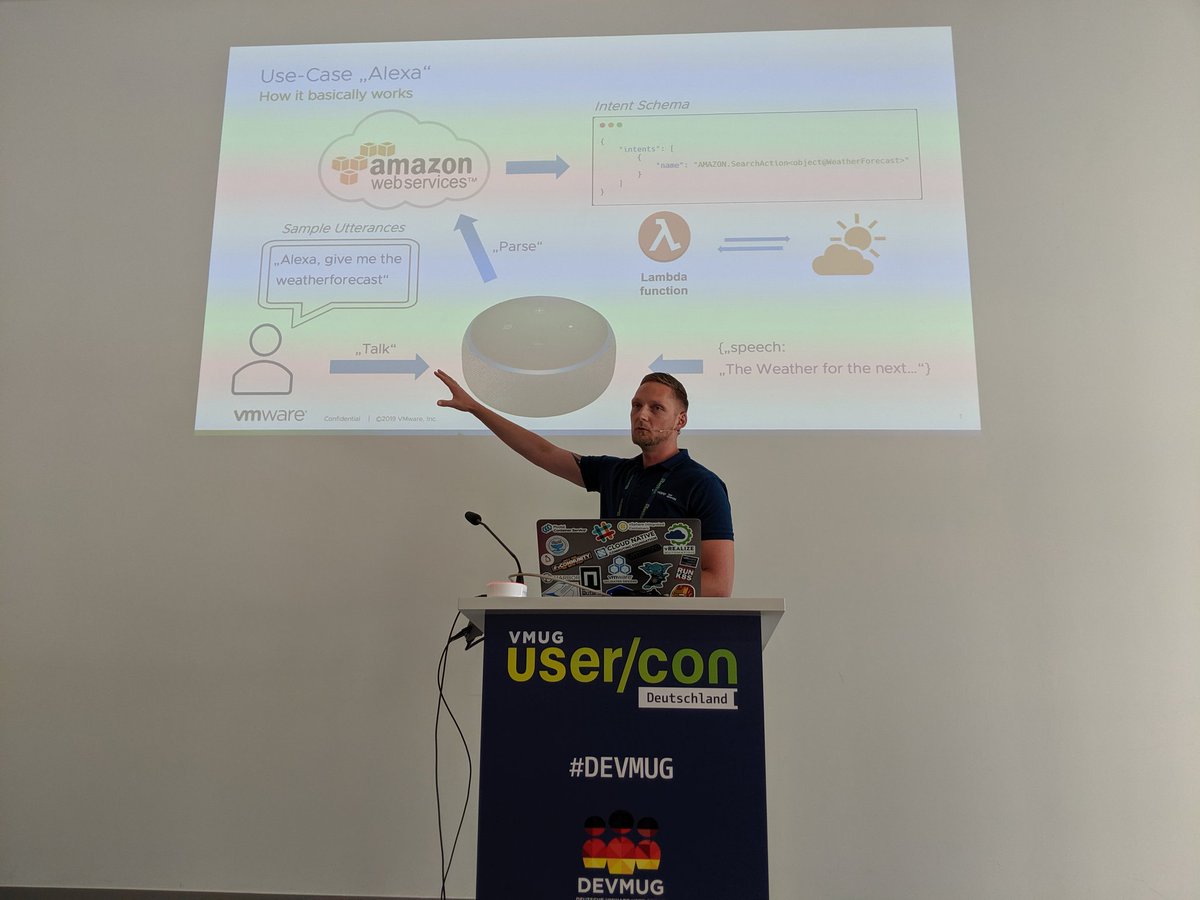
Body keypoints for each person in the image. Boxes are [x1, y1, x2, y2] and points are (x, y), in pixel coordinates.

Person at [434, 369, 734, 596]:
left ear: (680, 421)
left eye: (656, 408)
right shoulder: (615, 472)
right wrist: (476, 408)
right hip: (605, 623)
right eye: (636, 405)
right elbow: (543, 452)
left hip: (671, 629)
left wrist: (634, 576)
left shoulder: (702, 484)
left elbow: (719, 584)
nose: (641, 415)